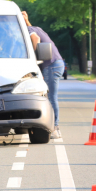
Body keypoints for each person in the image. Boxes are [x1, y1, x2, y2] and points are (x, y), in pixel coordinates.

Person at [21, 11, 65, 139]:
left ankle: (55, 129)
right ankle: (54, 127)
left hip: (51, 65)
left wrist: (35, 59)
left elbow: (36, 39)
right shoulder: (35, 28)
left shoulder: (29, 30)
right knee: (49, 96)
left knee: (51, 97)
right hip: (56, 63)